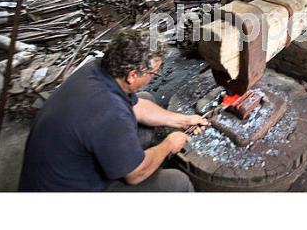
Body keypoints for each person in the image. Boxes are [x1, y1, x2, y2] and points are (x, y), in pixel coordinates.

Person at [19, 29, 208, 191]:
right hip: (68, 191)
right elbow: (135, 175)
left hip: (59, 165)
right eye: (153, 73)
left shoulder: (95, 68)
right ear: (132, 75)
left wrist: (182, 120)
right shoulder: (109, 112)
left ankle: (129, 156)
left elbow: (138, 107)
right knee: (177, 182)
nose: (154, 76)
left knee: (145, 99)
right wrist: (168, 144)